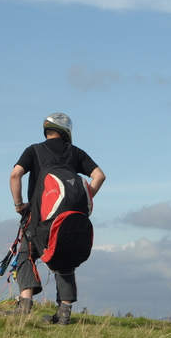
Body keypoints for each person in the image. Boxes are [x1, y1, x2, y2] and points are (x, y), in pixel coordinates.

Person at [8, 113, 105, 324]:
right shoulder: (76, 153)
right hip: (71, 218)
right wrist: (85, 198)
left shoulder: (34, 150)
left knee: (27, 252)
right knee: (65, 258)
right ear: (67, 131)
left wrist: (19, 205)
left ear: (47, 130)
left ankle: (24, 306)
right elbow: (99, 175)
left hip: (40, 216)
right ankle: (64, 314)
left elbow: (16, 174)